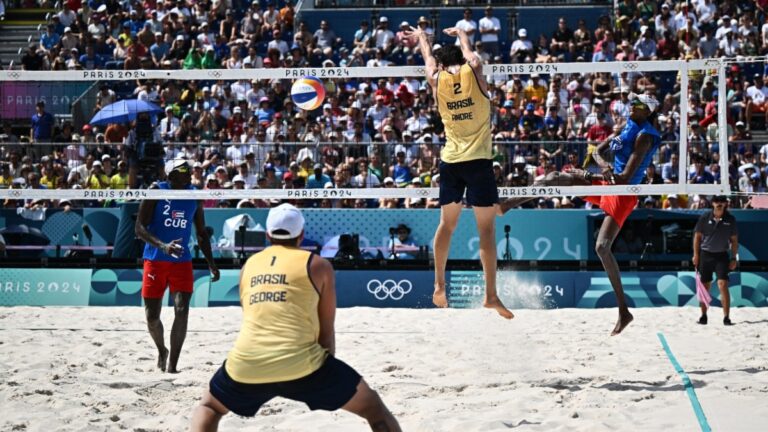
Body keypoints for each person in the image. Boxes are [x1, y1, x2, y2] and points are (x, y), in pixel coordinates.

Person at [190, 204, 401, 432]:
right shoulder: (318, 265)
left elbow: (254, 316)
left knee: (209, 407)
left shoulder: (248, 265)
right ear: (301, 235)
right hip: (303, 364)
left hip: (247, 363)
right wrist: (323, 378)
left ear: (268, 235)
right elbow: (326, 331)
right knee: (373, 408)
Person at [499, 93, 662, 335]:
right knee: (555, 177)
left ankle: (623, 310)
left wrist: (595, 175)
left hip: (624, 192)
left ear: (646, 111)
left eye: (637, 104)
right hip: (608, 182)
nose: (631, 105)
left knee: (602, 248)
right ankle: (504, 206)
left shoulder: (645, 136)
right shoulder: (627, 125)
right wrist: (599, 169)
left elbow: (625, 177)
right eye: (632, 102)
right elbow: (597, 151)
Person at [406, 25, 513, 319]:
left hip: (451, 162)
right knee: (487, 230)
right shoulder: (473, 71)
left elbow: (428, 61)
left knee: (447, 225)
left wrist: (423, 40)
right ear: (462, 60)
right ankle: (490, 296)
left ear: (441, 64)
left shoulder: (436, 79)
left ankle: (439, 285)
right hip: (479, 162)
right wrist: (462, 36)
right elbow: (472, 57)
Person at [135, 159, 219, 373]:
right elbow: (139, 228)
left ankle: (172, 365)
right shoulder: (155, 190)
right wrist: (163, 246)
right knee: (152, 317)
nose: (190, 172)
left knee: (182, 310)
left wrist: (211, 264)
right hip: (155, 259)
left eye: (190, 169)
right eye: (184, 170)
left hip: (181, 261)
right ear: (171, 175)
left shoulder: (194, 195)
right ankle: (162, 350)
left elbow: (201, 233)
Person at [693, 195, 739, 326]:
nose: (719, 204)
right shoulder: (704, 217)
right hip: (706, 255)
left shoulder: (730, 219)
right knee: (705, 286)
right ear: (712, 203)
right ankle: (703, 316)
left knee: (722, 285)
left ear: (725, 204)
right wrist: (696, 255)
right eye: (717, 201)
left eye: (722, 202)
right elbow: (697, 237)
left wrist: (734, 257)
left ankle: (726, 317)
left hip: (722, 256)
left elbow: (734, 241)